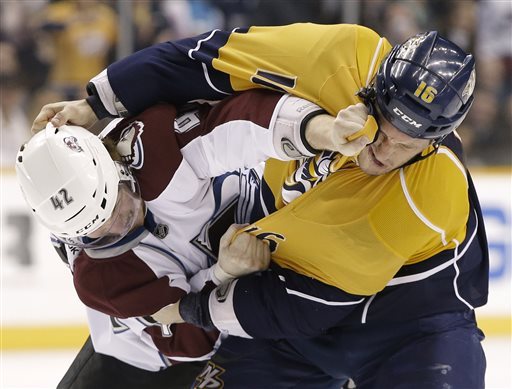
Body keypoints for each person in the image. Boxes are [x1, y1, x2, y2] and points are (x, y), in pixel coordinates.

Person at [33, 24, 488, 388]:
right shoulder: (341, 55)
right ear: (371, 87)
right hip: (209, 325)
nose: (383, 152)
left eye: (405, 144)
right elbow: (206, 58)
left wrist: (317, 131)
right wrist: (97, 100)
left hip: (402, 326)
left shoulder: (427, 193)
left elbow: (307, 306)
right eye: (383, 124)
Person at [20, 87, 370, 388]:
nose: (119, 227)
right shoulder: (98, 274)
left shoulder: (155, 144)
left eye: (115, 205)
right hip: (139, 361)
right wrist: (223, 274)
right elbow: (187, 341)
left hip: (246, 326)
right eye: (97, 232)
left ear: (117, 166)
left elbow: (243, 124)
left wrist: (317, 130)